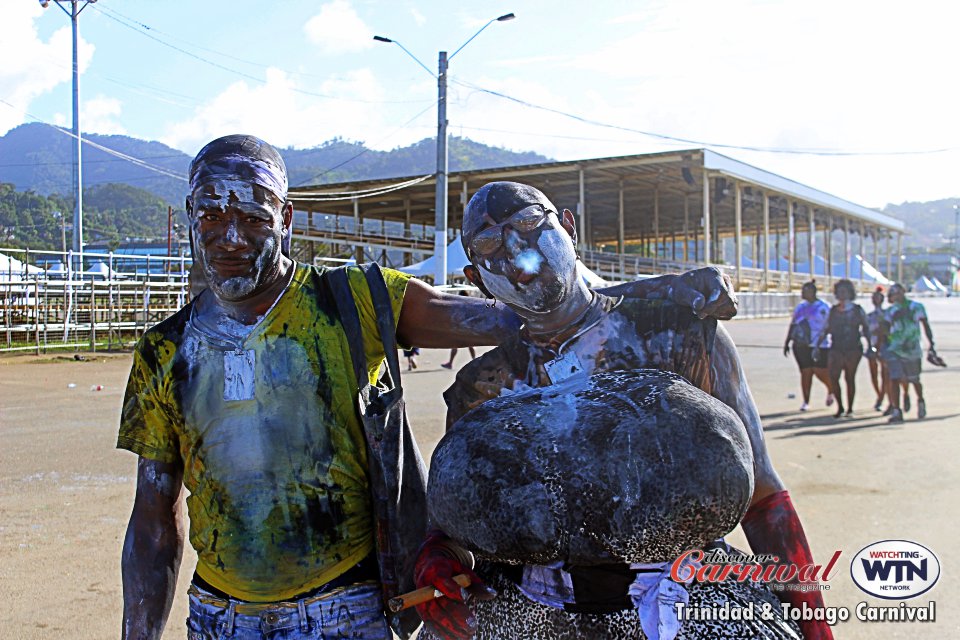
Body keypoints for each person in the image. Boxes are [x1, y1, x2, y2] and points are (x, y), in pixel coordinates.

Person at [118, 137, 739, 640]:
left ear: (284, 217)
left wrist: (660, 292)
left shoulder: (355, 299)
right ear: (190, 215)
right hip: (218, 616)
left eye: (251, 215)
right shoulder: (163, 352)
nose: (230, 236)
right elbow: (153, 518)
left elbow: (525, 306)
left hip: (349, 608)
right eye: (211, 213)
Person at [414, 182, 832, 640]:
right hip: (535, 614)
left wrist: (812, 626)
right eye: (490, 245)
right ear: (475, 278)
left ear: (569, 227)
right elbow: (462, 525)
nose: (517, 254)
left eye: (530, 225)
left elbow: (762, 494)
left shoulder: (677, 335)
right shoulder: (481, 387)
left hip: (686, 603)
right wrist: (438, 556)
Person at [878, 283, 939, 423]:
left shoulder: (916, 307)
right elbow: (884, 329)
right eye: (893, 294)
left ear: (903, 292)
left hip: (912, 349)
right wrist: (884, 344)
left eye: (898, 292)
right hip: (895, 349)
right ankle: (896, 409)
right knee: (894, 379)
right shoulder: (891, 311)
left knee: (914, 379)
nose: (896, 296)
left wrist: (931, 344)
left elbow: (925, 325)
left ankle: (920, 400)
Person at [813, 279, 870, 418]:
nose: (842, 294)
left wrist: (871, 345)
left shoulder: (857, 310)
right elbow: (826, 328)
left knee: (850, 378)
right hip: (836, 347)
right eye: (839, 291)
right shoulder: (833, 310)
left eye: (845, 291)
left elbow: (866, 328)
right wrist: (817, 345)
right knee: (833, 377)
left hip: (853, 348)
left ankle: (850, 408)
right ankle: (840, 407)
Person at [783, 281, 835, 411]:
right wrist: (787, 341)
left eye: (805, 291)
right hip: (801, 344)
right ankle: (806, 401)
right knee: (805, 372)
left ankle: (832, 389)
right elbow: (793, 324)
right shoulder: (800, 307)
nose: (802, 293)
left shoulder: (824, 307)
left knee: (820, 371)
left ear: (813, 292)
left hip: (819, 345)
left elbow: (830, 325)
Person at [865, 287, 888, 411]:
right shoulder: (869, 316)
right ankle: (879, 394)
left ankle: (882, 397)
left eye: (878, 298)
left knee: (884, 373)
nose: (875, 300)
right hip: (872, 345)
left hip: (884, 346)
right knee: (873, 374)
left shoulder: (886, 314)